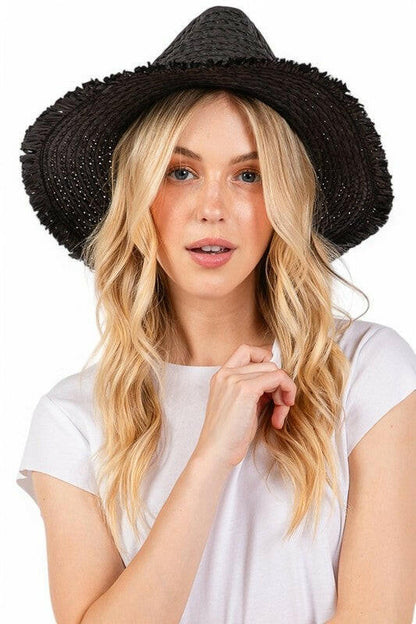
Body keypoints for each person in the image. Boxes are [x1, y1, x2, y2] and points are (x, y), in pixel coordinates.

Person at [15, 6, 416, 624]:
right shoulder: (73, 419)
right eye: (180, 172)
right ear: (138, 196)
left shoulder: (366, 370)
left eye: (249, 175)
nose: (212, 208)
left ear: (284, 200)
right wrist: (208, 460)